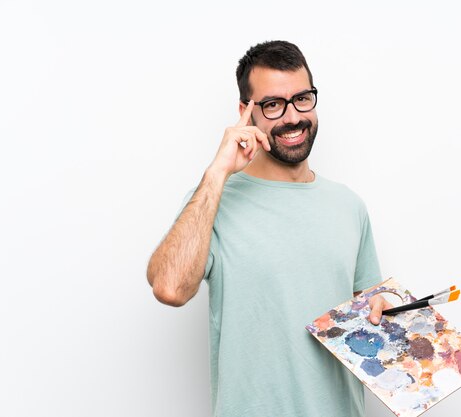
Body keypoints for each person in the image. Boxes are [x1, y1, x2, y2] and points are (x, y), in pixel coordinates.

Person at [146, 40, 392, 417]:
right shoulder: (213, 200)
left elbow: (372, 313)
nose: (292, 117)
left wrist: (387, 317)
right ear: (246, 112)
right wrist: (217, 172)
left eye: (302, 99)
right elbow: (170, 288)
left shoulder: (349, 206)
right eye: (273, 105)